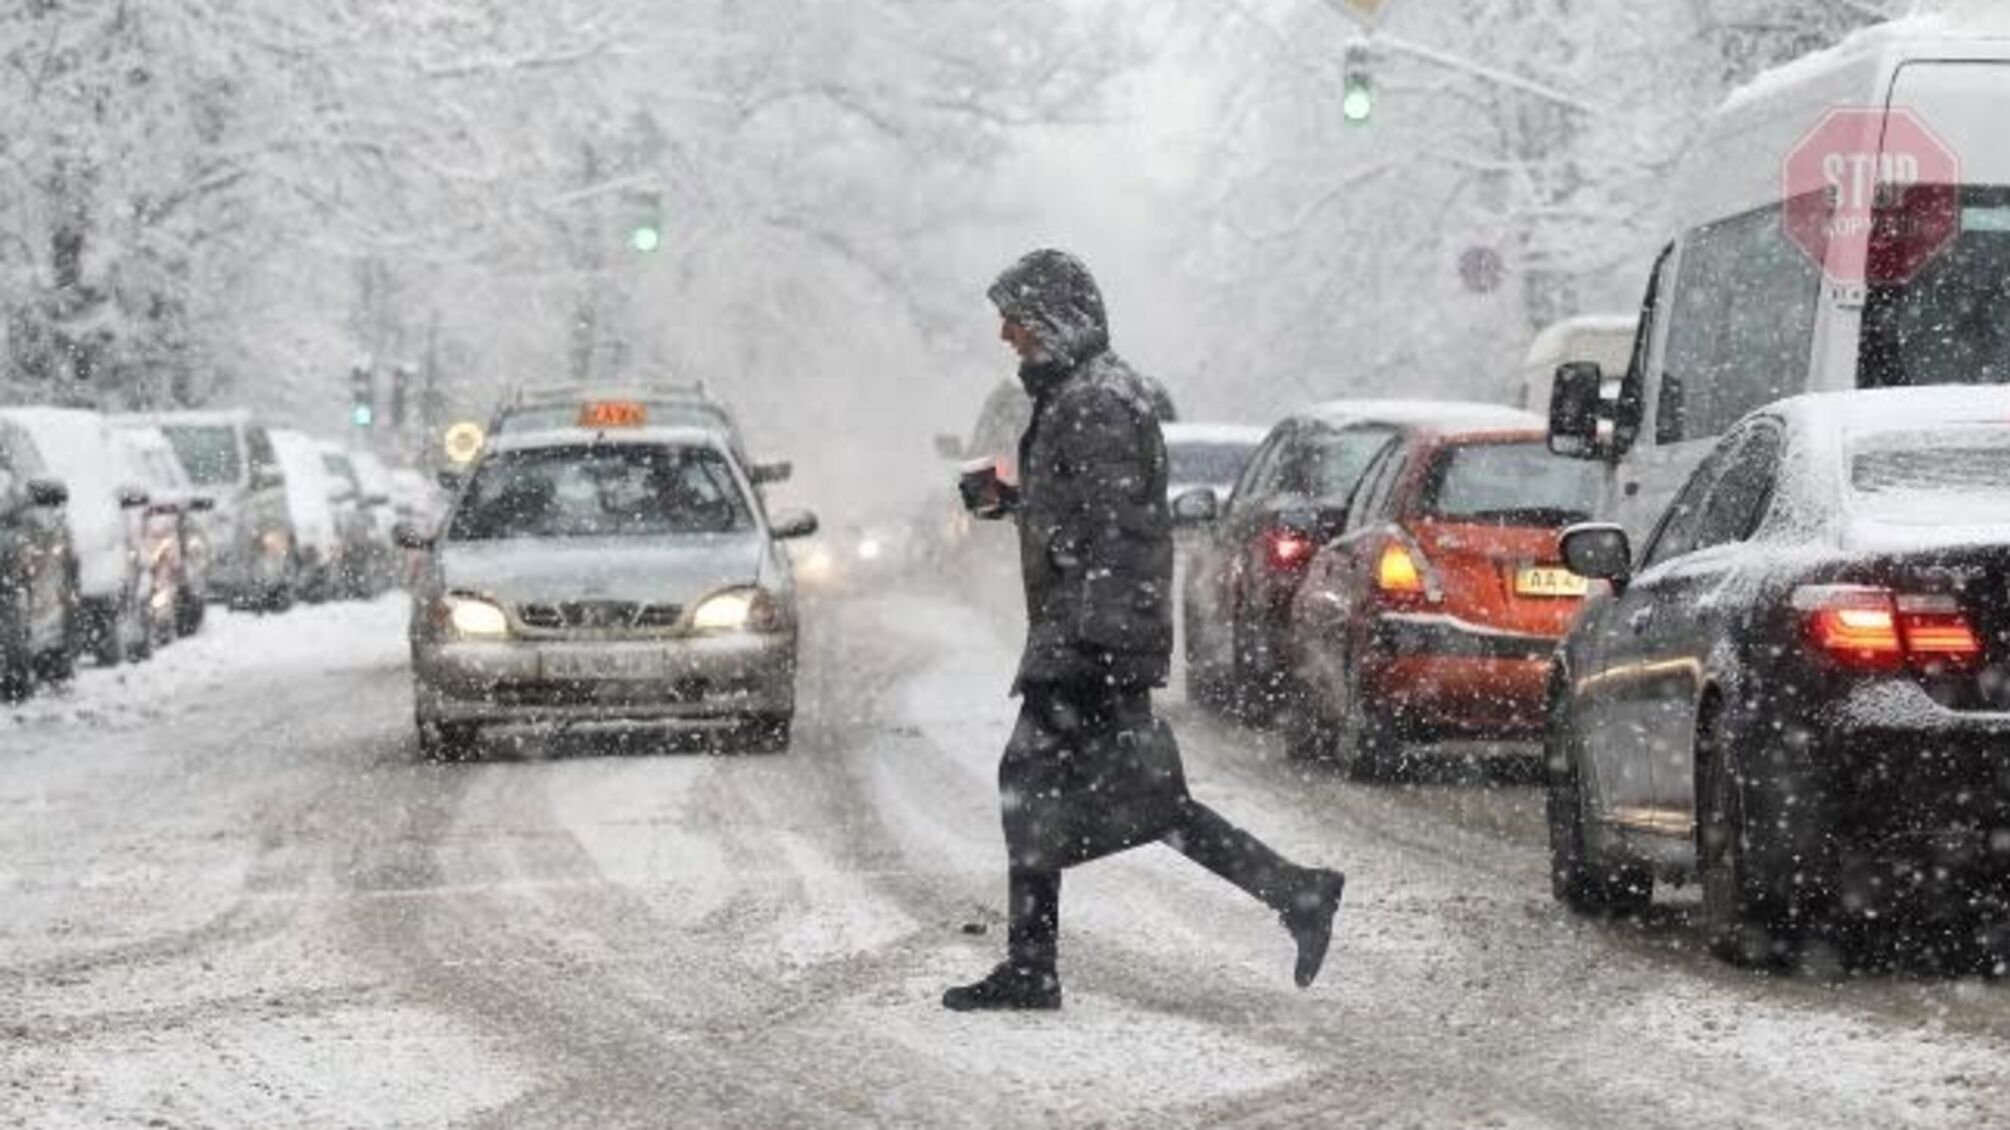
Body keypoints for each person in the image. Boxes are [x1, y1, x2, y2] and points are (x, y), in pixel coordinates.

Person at [943, 248, 1345, 1013]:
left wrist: (1101, 648)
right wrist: (1012, 499)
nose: (1005, 333)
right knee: (1128, 799)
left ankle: (1035, 966)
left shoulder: (1096, 399)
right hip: (1087, 635)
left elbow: (1121, 532)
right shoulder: (1084, 394)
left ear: (1056, 319)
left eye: (1017, 317)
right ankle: (1294, 892)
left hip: (1089, 641)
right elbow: (1089, 513)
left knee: (1047, 791)